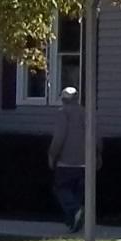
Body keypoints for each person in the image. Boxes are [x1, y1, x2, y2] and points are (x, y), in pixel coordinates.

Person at [45, 84, 89, 233]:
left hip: (66, 162)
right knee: (77, 192)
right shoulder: (87, 113)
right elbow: (96, 137)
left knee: (61, 189)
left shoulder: (63, 113)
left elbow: (59, 138)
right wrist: (97, 154)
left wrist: (52, 155)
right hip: (85, 162)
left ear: (64, 100)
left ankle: (75, 211)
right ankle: (73, 222)